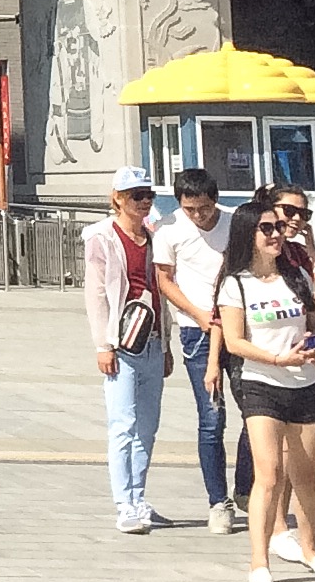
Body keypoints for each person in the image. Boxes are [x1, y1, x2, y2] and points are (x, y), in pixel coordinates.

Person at [216, 196, 315, 582]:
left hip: (305, 385)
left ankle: (310, 550)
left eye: (279, 228)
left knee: (306, 477)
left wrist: (311, 345)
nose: (276, 235)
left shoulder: (295, 277)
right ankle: (259, 561)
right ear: (248, 235)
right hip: (261, 385)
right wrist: (277, 359)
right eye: (266, 228)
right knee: (268, 475)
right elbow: (234, 341)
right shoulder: (236, 284)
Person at [153, 166, 243, 532]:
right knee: (211, 417)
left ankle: (246, 486)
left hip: (238, 323)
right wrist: (197, 314)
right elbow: (164, 279)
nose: (198, 216)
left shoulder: (235, 223)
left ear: (215, 200)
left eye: (204, 208)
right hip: (197, 331)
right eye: (189, 208)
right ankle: (218, 501)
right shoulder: (169, 228)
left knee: (256, 410)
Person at [84, 169, 167, 534]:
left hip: (153, 341)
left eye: (148, 194)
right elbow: (96, 294)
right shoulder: (102, 237)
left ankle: (138, 496)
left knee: (147, 428)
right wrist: (103, 345)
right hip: (121, 345)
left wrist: (167, 344)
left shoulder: (154, 238)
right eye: (136, 195)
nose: (144, 201)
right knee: (123, 425)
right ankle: (124, 503)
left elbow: (161, 293)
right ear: (116, 198)